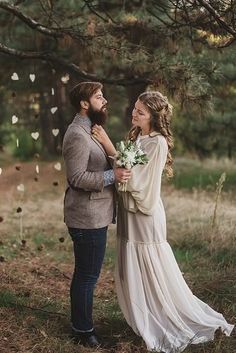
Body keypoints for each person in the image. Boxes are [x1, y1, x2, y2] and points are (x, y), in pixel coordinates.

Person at [92, 91, 234, 352]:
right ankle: (143, 313)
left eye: (141, 112)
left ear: (155, 117)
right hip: (129, 213)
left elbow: (136, 179)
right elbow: (125, 169)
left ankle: (163, 316)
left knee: (150, 265)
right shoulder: (138, 136)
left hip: (144, 214)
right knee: (132, 261)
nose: (134, 114)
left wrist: (108, 145)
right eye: (134, 108)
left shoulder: (157, 143)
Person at [62, 81, 131, 348]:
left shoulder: (91, 129)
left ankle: (81, 325)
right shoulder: (77, 135)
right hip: (86, 217)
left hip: (94, 215)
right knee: (87, 276)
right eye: (99, 97)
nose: (104, 101)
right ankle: (83, 332)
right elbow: (76, 177)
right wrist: (111, 175)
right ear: (84, 103)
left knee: (87, 274)